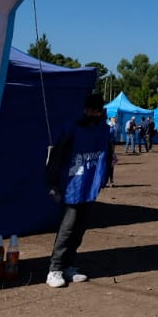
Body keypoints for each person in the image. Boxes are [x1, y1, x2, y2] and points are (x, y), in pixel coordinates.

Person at [44, 92, 114, 288]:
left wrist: (105, 176)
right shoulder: (72, 128)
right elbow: (57, 155)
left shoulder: (104, 131)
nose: (92, 113)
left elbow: (107, 156)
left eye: (96, 110)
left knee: (80, 228)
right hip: (72, 186)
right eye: (90, 109)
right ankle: (55, 268)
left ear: (101, 111)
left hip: (90, 186)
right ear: (84, 109)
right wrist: (52, 182)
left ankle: (69, 265)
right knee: (68, 227)